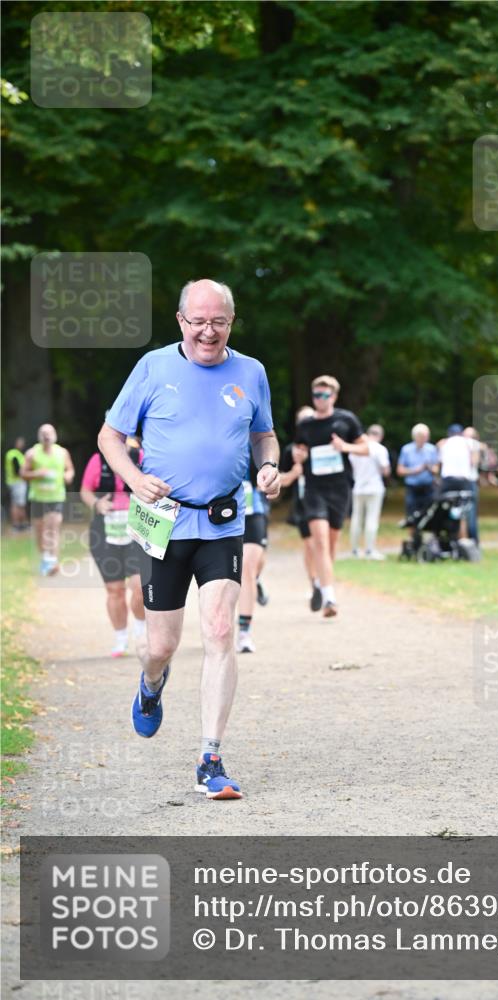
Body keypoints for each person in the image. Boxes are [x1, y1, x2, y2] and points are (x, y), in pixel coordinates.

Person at [98, 278, 280, 801]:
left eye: (218, 321)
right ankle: (152, 684)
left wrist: (269, 466)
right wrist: (133, 479)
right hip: (162, 522)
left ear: (231, 322)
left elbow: (264, 433)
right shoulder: (154, 367)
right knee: (161, 645)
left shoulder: (251, 372)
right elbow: (109, 436)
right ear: (180, 321)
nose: (208, 331)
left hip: (223, 520)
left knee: (220, 629)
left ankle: (210, 757)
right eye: (198, 320)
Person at [292, 375, 369, 618]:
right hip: (314, 489)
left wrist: (345, 447)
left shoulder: (346, 420)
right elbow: (299, 450)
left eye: (324, 395)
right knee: (320, 542)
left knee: (332, 543)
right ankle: (330, 598)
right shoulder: (306, 425)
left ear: (334, 396)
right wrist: (299, 455)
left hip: (340, 488)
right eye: (316, 395)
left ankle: (320, 583)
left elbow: (365, 448)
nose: (320, 399)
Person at [80, 435, 146, 657]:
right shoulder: (98, 461)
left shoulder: (141, 457)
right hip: (105, 531)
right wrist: (97, 503)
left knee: (139, 587)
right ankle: (120, 638)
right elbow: (85, 491)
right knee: (114, 589)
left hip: (136, 530)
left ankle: (140, 629)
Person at [279, 406, 322, 612]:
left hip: (322, 500)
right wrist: (296, 470)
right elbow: (284, 479)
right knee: (310, 545)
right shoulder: (290, 450)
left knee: (320, 544)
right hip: (302, 503)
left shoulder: (321, 447)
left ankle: (323, 582)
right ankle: (314, 582)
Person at [21, 424, 75, 576]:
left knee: (53, 528)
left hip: (56, 497)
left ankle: (53, 560)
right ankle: (46, 556)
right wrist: (37, 473)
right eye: (43, 433)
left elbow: (70, 469)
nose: (47, 435)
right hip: (38, 498)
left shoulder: (62, 452)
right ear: (39, 436)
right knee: (40, 531)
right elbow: (23, 473)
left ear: (55, 434)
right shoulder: (32, 453)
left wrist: (68, 475)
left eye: (49, 432)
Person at [236, 459, 271, 654]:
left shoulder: (254, 433)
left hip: (252, 509)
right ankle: (216, 626)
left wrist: (268, 472)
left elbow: (269, 447)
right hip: (217, 513)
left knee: (247, 569)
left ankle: (244, 633)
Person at [349, 423, 391, 559]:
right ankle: (369, 550)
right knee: (371, 519)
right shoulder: (380, 449)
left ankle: (355, 550)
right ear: (380, 436)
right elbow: (385, 470)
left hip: (358, 487)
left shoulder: (355, 449)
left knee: (356, 519)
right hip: (374, 487)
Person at [396, 423, 439, 518]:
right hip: (412, 488)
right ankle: (412, 532)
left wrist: (429, 468)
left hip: (428, 488)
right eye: (422, 436)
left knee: (429, 515)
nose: (424, 439)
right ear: (415, 436)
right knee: (411, 515)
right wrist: (415, 470)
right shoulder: (406, 449)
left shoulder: (431, 449)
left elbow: (436, 470)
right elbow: (400, 470)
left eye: (426, 436)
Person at [461, 427, 482, 545]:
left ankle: (474, 540)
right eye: (465, 436)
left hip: (470, 482)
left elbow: (473, 462)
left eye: (469, 436)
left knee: (471, 513)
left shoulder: (475, 446)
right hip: (460, 482)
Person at [4, 436, 28, 532]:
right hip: (17, 482)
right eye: (20, 442)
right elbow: (17, 470)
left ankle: (18, 524)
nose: (22, 444)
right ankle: (19, 524)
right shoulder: (14, 455)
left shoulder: (13, 454)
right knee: (19, 504)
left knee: (16, 503)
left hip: (14, 482)